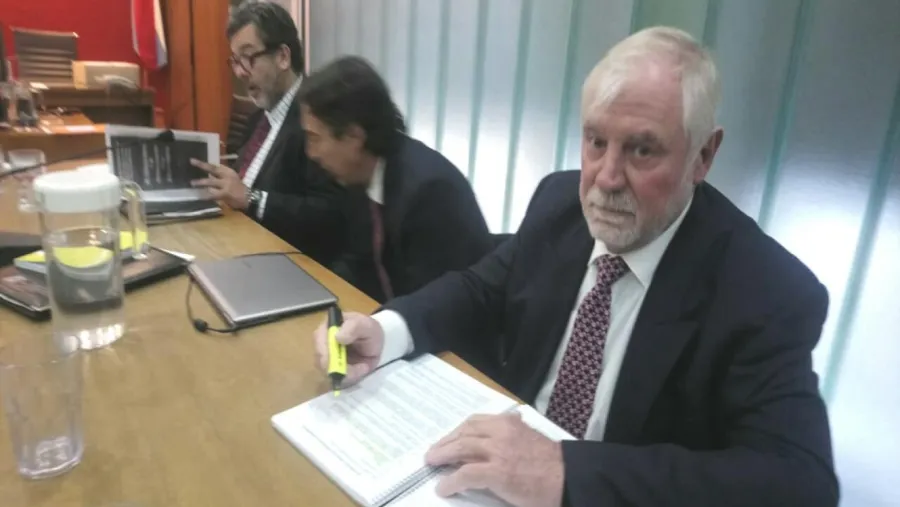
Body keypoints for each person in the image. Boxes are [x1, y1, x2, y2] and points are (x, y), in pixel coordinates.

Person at [312, 27, 838, 507]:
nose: (606, 178)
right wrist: (387, 331)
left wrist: (566, 471)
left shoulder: (766, 290)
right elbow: (479, 288)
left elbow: (800, 483)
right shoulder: (559, 202)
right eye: (595, 141)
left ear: (703, 156)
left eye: (642, 150)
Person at [298, 56, 493, 303]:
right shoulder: (359, 176)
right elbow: (357, 261)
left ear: (353, 137)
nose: (310, 153)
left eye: (314, 138)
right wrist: (316, 296)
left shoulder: (429, 193)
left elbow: (434, 305)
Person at [190, 1, 345, 265]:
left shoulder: (318, 118)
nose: (240, 72)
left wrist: (252, 199)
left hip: (293, 264)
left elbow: (330, 214)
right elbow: (240, 185)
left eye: (248, 57)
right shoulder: (259, 118)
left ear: (283, 57)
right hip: (241, 246)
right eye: (235, 61)